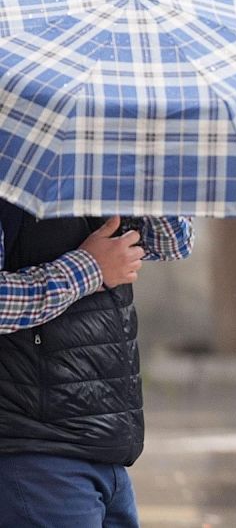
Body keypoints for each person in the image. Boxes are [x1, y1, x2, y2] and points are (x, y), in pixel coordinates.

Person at [0, 202, 194, 527]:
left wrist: (151, 173)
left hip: (106, 446)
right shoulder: (11, 171)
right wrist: (90, 268)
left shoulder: (108, 166)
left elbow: (173, 243)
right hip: (34, 450)